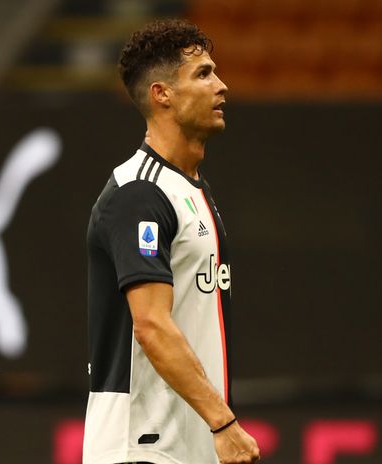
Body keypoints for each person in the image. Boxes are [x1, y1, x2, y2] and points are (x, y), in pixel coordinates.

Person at [83, 19, 260, 464]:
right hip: (141, 447)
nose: (222, 86)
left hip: (187, 448)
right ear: (162, 94)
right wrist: (224, 422)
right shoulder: (139, 194)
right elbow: (151, 326)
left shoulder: (190, 188)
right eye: (203, 74)